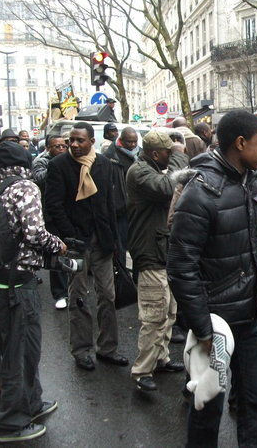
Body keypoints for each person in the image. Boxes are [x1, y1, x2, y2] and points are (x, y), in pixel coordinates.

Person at [167, 110, 257, 447]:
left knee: (256, 402)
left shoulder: (250, 180)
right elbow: (181, 266)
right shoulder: (201, 193)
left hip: (252, 315)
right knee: (207, 405)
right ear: (240, 144)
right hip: (215, 324)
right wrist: (203, 328)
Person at [0, 141, 66, 443]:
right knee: (18, 352)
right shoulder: (25, 187)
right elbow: (34, 233)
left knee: (26, 347)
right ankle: (10, 423)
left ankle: (31, 403)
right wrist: (57, 244)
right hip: (17, 282)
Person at [44, 121, 128, 371]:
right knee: (78, 297)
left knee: (108, 296)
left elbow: (110, 204)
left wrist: (114, 242)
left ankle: (108, 348)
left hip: (102, 242)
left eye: (80, 140)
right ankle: (81, 349)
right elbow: (53, 206)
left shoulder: (104, 164)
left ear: (92, 141)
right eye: (71, 140)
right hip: (75, 244)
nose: (74, 144)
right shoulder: (58, 166)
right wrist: (69, 237)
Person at [126, 130, 189, 392]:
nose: (170, 157)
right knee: (154, 313)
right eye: (167, 153)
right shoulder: (139, 172)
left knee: (169, 310)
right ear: (155, 153)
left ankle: (160, 358)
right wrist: (177, 156)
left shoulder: (151, 167)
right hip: (149, 252)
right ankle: (142, 371)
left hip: (162, 249)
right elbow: (166, 188)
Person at [32, 135, 69, 310]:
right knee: (57, 253)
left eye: (63, 146)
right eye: (57, 146)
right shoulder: (42, 162)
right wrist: (58, 166)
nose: (61, 149)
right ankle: (60, 293)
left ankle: (73, 289)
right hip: (51, 214)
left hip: (69, 213)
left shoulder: (71, 159)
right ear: (48, 148)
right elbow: (39, 178)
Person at [103, 127, 139, 268]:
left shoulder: (140, 153)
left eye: (135, 142)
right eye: (129, 142)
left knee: (137, 244)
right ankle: (122, 280)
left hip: (136, 208)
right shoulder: (111, 156)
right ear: (121, 141)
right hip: (120, 209)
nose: (132, 145)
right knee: (121, 246)